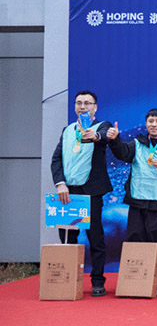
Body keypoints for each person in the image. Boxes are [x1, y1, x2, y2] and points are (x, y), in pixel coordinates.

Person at [107, 108, 157, 296]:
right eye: (151, 121)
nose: (154, 124)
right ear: (146, 124)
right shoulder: (137, 144)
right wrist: (115, 140)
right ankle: (137, 280)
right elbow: (122, 154)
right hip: (137, 201)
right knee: (135, 240)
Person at [50, 90, 112, 297]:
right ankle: (68, 280)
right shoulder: (67, 130)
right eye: (79, 103)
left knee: (95, 238)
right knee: (67, 238)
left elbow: (104, 136)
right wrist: (60, 184)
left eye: (87, 103)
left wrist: (95, 136)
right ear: (75, 106)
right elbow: (56, 159)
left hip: (91, 191)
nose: (83, 106)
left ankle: (97, 281)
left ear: (95, 107)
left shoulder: (101, 126)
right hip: (68, 192)